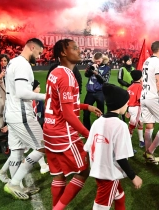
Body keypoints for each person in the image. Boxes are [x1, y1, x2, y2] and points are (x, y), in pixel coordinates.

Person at [44, 39, 102, 209]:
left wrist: (86, 106)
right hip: (64, 133)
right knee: (83, 171)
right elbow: (68, 115)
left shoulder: (55, 72)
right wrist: (88, 134)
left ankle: (55, 206)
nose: (79, 51)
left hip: (49, 130)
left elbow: (59, 104)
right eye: (75, 48)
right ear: (63, 52)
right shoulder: (67, 76)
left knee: (59, 175)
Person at [84, 83, 143, 209]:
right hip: (109, 174)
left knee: (120, 196)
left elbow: (88, 148)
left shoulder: (97, 122)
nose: (127, 105)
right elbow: (121, 157)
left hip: (98, 171)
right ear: (120, 104)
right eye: (127, 102)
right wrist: (133, 176)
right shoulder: (120, 126)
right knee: (100, 206)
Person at [3, 38, 47, 199]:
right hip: (21, 114)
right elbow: (22, 92)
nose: (40, 56)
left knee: (17, 151)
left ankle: (18, 186)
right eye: (39, 52)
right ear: (32, 47)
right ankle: (14, 182)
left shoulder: (13, 62)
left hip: (11, 112)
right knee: (42, 147)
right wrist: (46, 96)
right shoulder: (22, 64)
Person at [140, 41, 159, 164]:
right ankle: (149, 152)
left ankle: (149, 155)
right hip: (153, 97)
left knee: (149, 125)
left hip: (144, 96)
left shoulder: (146, 61)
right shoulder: (158, 63)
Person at [83, 52, 111, 129]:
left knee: (100, 113)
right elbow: (86, 75)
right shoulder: (91, 65)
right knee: (86, 112)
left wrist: (97, 73)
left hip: (100, 92)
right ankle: (86, 130)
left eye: (98, 61)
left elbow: (105, 81)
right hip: (90, 92)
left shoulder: (107, 68)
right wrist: (90, 69)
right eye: (96, 61)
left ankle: (100, 129)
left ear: (102, 59)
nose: (97, 63)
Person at [127, 70, 145, 148]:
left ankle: (141, 140)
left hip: (130, 108)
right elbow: (139, 99)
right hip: (136, 108)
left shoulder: (130, 86)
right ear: (140, 77)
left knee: (139, 123)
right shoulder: (139, 87)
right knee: (132, 125)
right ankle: (127, 143)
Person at [118, 55, 134, 122]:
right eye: (128, 60)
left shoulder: (133, 69)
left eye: (130, 60)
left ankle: (131, 119)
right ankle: (123, 119)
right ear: (124, 61)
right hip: (124, 90)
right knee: (124, 105)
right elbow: (119, 79)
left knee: (131, 105)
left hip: (132, 90)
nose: (130, 61)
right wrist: (128, 85)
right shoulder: (122, 69)